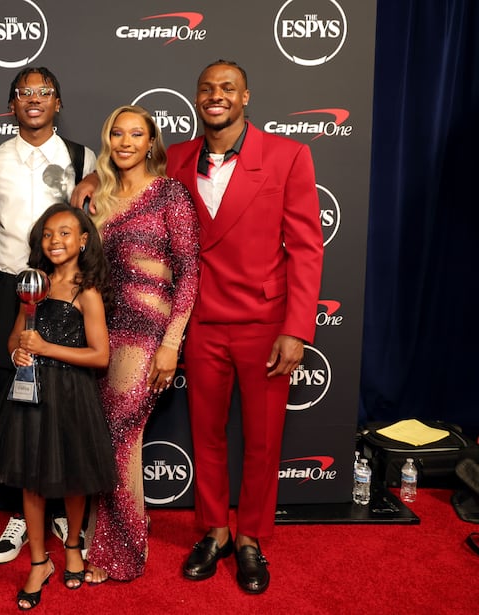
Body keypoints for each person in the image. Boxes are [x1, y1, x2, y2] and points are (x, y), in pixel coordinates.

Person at [169, 61, 324, 594]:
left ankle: (252, 538)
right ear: (196, 97)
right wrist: (95, 178)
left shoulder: (287, 155)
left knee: (262, 441)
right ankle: (214, 532)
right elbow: (126, 181)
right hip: (203, 322)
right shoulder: (174, 159)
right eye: (207, 88)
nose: (216, 96)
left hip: (264, 324)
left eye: (227, 89)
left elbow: (306, 248)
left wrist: (297, 328)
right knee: (206, 436)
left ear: (246, 97)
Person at [0, 66, 96, 564]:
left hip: (65, 293)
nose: (35, 99)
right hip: (13, 289)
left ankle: (65, 515)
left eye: (44, 91)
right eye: (24, 93)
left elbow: (97, 214)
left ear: (58, 102)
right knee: (18, 400)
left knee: (66, 402)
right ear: (13, 103)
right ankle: (25, 517)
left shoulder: (81, 156)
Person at [0, 203, 117, 610]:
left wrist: (47, 348)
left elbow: (100, 356)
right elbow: (14, 341)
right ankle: (39, 561)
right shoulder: (32, 285)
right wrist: (19, 352)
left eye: (66, 233)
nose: (56, 241)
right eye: (49, 234)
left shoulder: (86, 291)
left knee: (73, 477)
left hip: (72, 395)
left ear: (83, 240)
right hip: (30, 394)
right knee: (31, 481)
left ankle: (72, 546)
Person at [83, 105, 199, 583]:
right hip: (102, 334)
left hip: (149, 336)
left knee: (119, 435)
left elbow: (190, 272)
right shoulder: (99, 198)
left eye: (137, 134)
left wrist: (172, 342)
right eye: (117, 133)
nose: (126, 142)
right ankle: (113, 534)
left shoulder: (170, 192)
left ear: (152, 142)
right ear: (107, 139)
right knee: (106, 437)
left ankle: (121, 551)